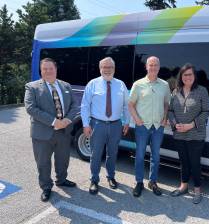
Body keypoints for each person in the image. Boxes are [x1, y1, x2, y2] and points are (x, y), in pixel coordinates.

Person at [24, 58, 77, 202]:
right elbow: (30, 108)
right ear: (41, 71)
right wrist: (54, 122)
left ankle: (62, 179)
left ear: (56, 69)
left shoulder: (66, 86)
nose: (48, 71)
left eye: (50, 68)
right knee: (43, 162)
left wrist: (67, 120)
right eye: (44, 69)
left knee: (63, 159)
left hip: (64, 131)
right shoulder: (32, 87)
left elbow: (74, 105)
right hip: (42, 133)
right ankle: (46, 187)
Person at [81, 57, 130, 195]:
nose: (107, 70)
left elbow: (127, 105)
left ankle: (111, 177)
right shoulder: (93, 84)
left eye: (110, 67)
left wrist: (127, 122)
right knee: (96, 154)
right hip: (97, 124)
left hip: (116, 125)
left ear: (114, 69)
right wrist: (85, 124)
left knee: (112, 153)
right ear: (100, 68)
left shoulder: (121, 85)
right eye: (105, 67)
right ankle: (94, 180)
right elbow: (85, 106)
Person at [128, 56, 171, 197]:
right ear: (146, 67)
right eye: (150, 65)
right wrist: (137, 120)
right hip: (142, 126)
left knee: (156, 156)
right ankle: (139, 182)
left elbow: (166, 103)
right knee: (140, 155)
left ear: (159, 67)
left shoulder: (164, 85)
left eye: (155, 65)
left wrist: (165, 118)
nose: (153, 67)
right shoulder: (138, 84)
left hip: (158, 126)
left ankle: (153, 181)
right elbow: (130, 104)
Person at [168, 63, 209, 204]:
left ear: (194, 76)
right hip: (179, 134)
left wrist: (191, 125)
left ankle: (197, 190)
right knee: (183, 162)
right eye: (185, 75)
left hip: (196, 134)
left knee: (194, 163)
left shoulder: (202, 91)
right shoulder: (176, 91)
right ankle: (184, 186)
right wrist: (175, 124)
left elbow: (206, 111)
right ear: (181, 76)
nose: (188, 77)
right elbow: (170, 111)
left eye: (190, 74)